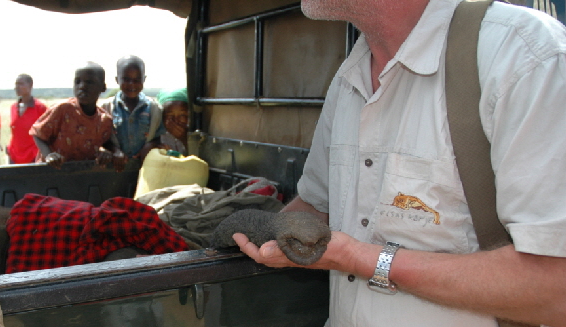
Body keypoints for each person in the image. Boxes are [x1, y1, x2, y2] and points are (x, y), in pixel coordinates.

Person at [233, 0, 566, 326]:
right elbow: (318, 206)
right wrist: (246, 230)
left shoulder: (522, 53)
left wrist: (356, 258)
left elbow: (556, 290)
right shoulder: (350, 75)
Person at [30, 62, 126, 171]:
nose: (82, 86)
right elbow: (37, 133)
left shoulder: (104, 120)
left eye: (89, 82)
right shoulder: (63, 109)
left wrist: (113, 152)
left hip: (80, 176)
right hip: (52, 173)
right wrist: (49, 155)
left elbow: (106, 141)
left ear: (103, 87)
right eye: (77, 82)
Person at [101, 55, 165, 161]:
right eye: (126, 79)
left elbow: (158, 136)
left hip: (145, 167)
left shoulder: (154, 109)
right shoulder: (106, 108)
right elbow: (102, 139)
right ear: (117, 80)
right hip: (116, 168)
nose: (132, 84)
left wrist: (149, 146)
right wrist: (115, 151)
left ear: (144, 79)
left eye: (137, 79)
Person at [7, 74, 47, 164]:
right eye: (16, 84)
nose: (17, 87)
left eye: (21, 84)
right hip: (14, 155)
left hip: (33, 155)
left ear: (30, 85)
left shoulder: (40, 108)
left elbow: (47, 133)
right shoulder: (14, 107)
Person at [155, 87, 189, 155]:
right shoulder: (158, 135)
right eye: (170, 115)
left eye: (182, 115)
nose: (176, 120)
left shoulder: (193, 133)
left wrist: (184, 138)